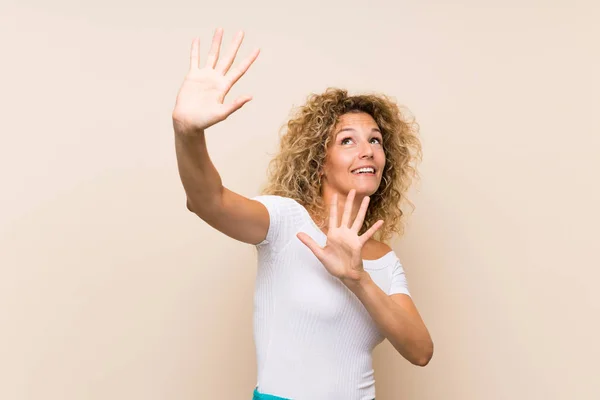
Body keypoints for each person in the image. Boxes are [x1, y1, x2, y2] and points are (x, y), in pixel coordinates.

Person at [172, 28, 433, 400]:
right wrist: (187, 133)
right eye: (348, 140)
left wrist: (357, 278)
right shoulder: (286, 222)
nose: (367, 150)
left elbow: (420, 351)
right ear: (320, 163)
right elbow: (207, 201)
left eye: (375, 139)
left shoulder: (384, 260)